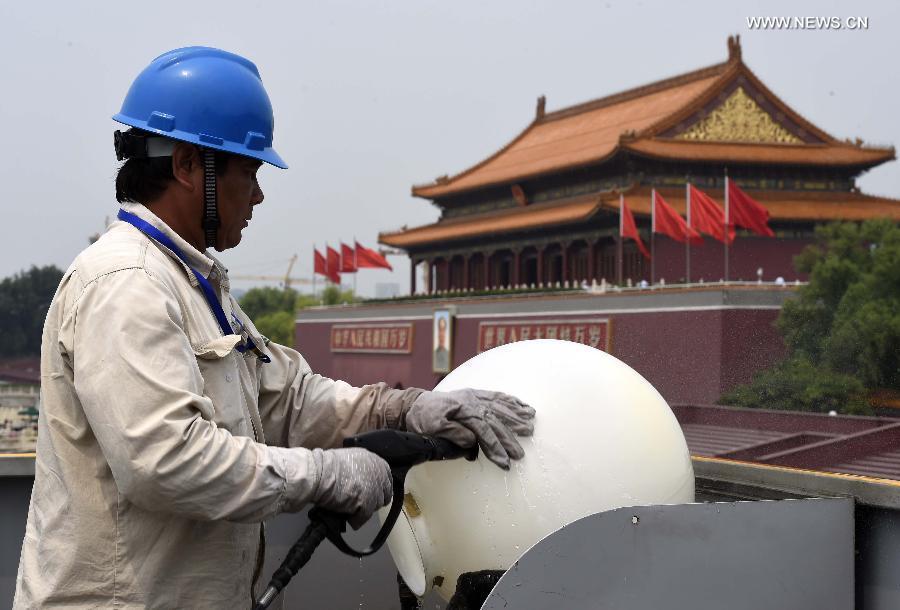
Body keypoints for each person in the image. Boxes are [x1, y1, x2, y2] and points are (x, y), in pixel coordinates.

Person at [13, 47, 534, 609]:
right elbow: (164, 461)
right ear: (187, 166)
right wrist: (325, 474)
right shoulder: (127, 283)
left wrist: (403, 409)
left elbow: (287, 399)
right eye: (249, 171)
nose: (258, 195)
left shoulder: (190, 282)